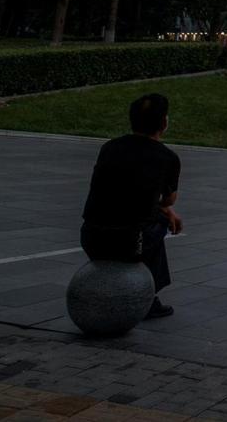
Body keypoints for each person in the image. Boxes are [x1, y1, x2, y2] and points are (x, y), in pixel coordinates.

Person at [80, 93, 182, 319]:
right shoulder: (167, 157)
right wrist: (166, 211)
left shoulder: (109, 148)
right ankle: (148, 297)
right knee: (160, 220)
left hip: (90, 237)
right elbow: (169, 200)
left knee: (151, 216)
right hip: (129, 242)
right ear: (164, 123)